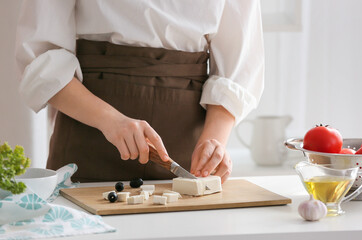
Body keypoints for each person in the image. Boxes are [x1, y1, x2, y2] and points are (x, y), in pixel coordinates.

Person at [15, 0, 264, 183]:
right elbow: (41, 60)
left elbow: (237, 69)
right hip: (88, 144)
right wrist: (111, 121)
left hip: (186, 157)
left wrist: (213, 144)